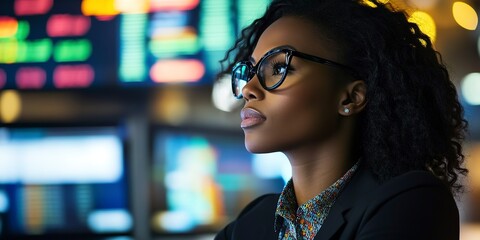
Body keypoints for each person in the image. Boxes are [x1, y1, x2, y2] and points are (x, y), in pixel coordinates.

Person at [214, 0, 468, 239]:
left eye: (280, 68)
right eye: (251, 71)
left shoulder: (413, 202)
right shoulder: (251, 222)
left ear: (351, 98)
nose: (249, 88)